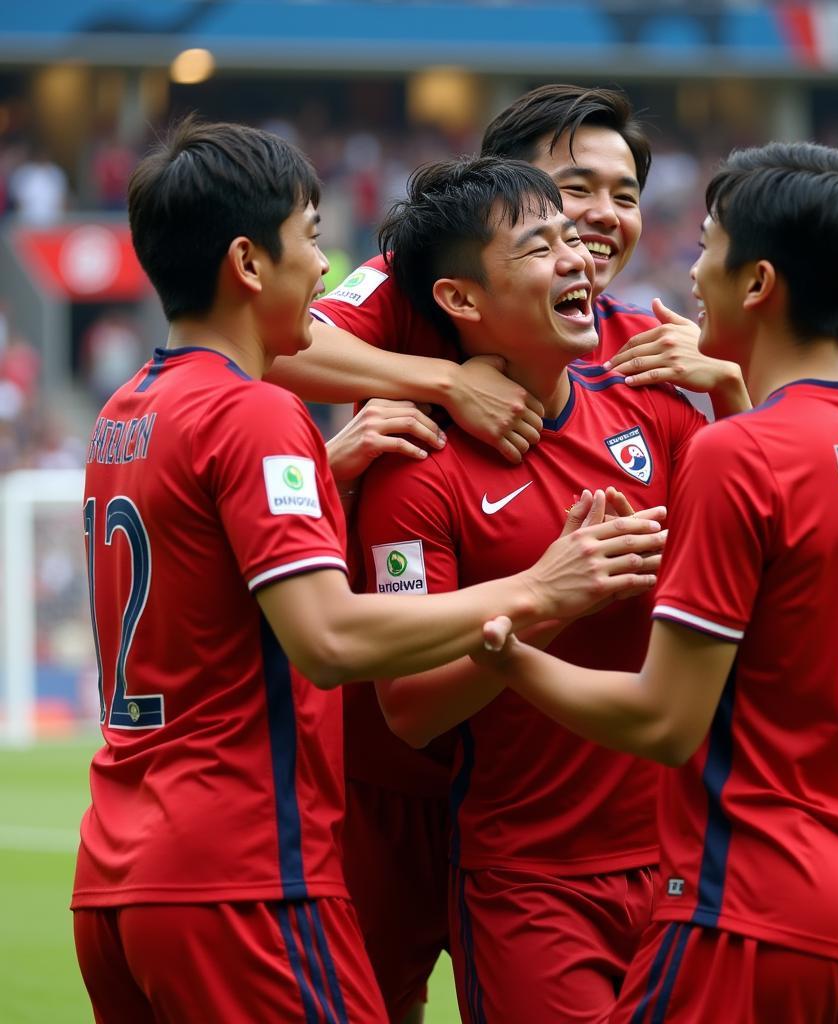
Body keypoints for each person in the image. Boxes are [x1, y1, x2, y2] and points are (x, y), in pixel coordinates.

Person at [71, 117, 665, 1023]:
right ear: (248, 262)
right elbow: (332, 639)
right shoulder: (269, 404)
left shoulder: (128, 409)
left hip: (119, 862)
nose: (322, 269)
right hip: (246, 868)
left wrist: (317, 479)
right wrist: (539, 591)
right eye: (310, 239)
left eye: (618, 196)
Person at [281, 84, 750, 1024]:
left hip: (598, 818)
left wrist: (735, 394)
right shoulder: (420, 294)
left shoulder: (643, 361)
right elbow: (282, 342)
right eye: (574, 191)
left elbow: (752, 544)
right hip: (399, 787)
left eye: (624, 196)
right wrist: (449, 380)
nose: (599, 222)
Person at [478, 142, 838, 1023]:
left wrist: (509, 651)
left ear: (757, 284)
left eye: (708, 248)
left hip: (747, 912)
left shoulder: (735, 453)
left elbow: (665, 723)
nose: (693, 273)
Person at [358, 155, 704, 1024]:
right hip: (531, 883)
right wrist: (544, 599)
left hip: (686, 866)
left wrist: (735, 389)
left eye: (573, 241)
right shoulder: (415, 468)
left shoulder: (652, 412)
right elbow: (410, 709)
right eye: (541, 246)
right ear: (462, 301)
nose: (580, 258)